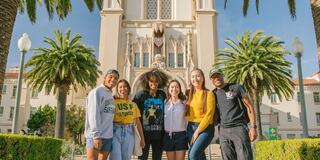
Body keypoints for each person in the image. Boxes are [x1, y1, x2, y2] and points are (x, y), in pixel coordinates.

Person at [209, 69, 257, 160]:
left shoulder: (236, 87)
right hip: (223, 131)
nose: (217, 78)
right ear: (211, 80)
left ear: (223, 75)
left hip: (239, 128)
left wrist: (253, 127)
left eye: (218, 75)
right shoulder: (213, 94)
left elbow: (249, 106)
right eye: (214, 77)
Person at [133, 69, 168, 160]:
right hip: (144, 135)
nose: (154, 83)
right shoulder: (140, 95)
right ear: (147, 82)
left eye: (156, 81)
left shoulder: (162, 94)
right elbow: (132, 110)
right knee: (142, 158)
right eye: (151, 81)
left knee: (157, 158)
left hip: (159, 135)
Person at [85, 69, 119, 160]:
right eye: (110, 77)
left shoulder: (110, 95)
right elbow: (93, 114)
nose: (113, 80)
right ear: (104, 78)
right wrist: (96, 135)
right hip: (95, 136)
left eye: (115, 78)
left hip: (108, 136)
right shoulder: (96, 92)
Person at [110, 79, 145, 160]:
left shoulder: (133, 104)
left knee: (126, 158)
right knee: (116, 157)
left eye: (125, 87)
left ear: (128, 89)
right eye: (120, 87)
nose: (123, 89)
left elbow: (138, 123)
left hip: (129, 132)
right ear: (117, 89)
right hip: (115, 131)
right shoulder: (113, 102)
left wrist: (142, 138)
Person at [186, 68, 216, 160]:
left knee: (192, 155)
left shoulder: (209, 94)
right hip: (191, 127)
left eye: (198, 76)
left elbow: (209, 115)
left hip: (205, 128)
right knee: (200, 156)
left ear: (203, 78)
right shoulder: (189, 94)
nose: (195, 79)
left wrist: (197, 131)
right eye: (193, 77)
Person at [163, 80, 188, 160]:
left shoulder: (184, 103)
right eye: (172, 87)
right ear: (168, 89)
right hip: (168, 136)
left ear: (180, 89)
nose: (174, 89)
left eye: (177, 87)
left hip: (181, 136)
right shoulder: (164, 103)